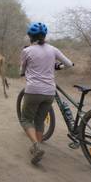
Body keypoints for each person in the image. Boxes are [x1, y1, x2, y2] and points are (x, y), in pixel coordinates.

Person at [19, 22, 73, 165]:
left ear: (31, 36)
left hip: (33, 90)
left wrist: (25, 72)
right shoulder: (53, 49)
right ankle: (39, 145)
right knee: (39, 120)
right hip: (50, 92)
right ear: (44, 36)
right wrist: (57, 67)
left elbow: (21, 71)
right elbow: (69, 64)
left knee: (25, 119)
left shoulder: (27, 51)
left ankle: (36, 146)